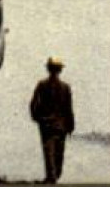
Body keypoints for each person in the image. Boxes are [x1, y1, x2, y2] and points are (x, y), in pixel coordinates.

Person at [29, 57, 75, 185]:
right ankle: (53, 177)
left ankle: (51, 178)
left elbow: (33, 104)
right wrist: (71, 126)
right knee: (58, 154)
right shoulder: (65, 87)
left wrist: (37, 118)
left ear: (48, 69)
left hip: (46, 125)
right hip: (61, 126)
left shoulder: (42, 85)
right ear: (60, 70)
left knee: (49, 152)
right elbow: (69, 109)